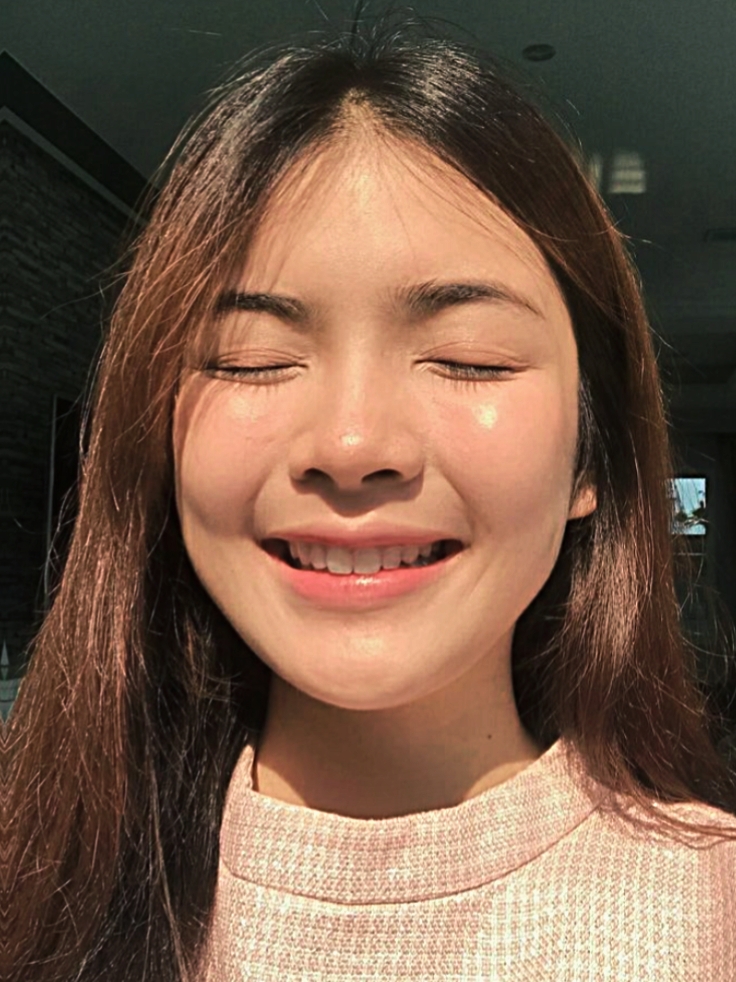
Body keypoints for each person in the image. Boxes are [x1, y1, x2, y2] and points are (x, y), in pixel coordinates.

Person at [8, 16, 736, 982]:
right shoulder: (32, 885)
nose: (351, 446)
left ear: (589, 457)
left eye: (470, 359)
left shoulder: (709, 918)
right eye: (250, 360)